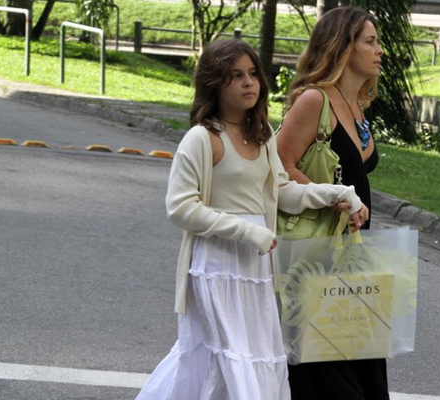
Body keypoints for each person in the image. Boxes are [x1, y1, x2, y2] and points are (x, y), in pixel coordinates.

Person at [134, 39, 368, 400]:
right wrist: (247, 231)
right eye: (236, 76)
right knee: (228, 359)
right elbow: (180, 206)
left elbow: (284, 193)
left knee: (255, 358)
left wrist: (338, 194)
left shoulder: (262, 137)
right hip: (215, 268)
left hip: (258, 267)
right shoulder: (203, 138)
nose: (249, 83)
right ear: (214, 83)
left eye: (253, 74)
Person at [276, 6, 386, 400]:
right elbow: (280, 169)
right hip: (315, 255)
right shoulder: (313, 100)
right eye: (370, 42)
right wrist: (336, 200)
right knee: (329, 377)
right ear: (343, 47)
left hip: (352, 256)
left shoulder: (358, 104)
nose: (380, 51)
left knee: (365, 373)